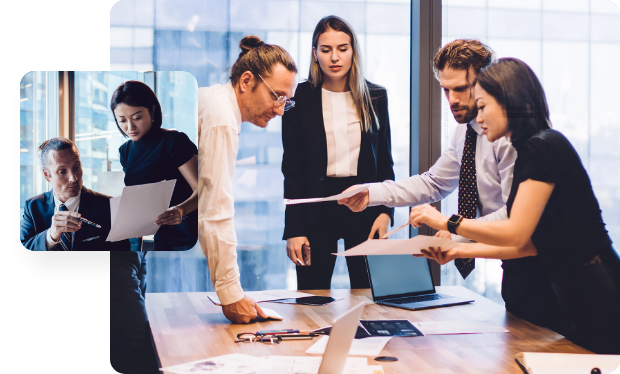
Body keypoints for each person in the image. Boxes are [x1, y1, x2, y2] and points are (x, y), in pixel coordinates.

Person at [338, 39, 563, 333]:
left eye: (461, 89)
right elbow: (433, 182)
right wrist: (372, 193)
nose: (452, 99)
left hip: (544, 266)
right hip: (512, 263)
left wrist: (455, 229)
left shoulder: (513, 138)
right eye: (446, 89)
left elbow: (516, 217)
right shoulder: (464, 133)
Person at [410, 57, 620, 354]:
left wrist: (447, 223)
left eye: (483, 107)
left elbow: (516, 234)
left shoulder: (542, 146)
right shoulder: (530, 150)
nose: (478, 117)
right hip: (573, 293)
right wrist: (458, 250)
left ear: (509, 101)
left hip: (597, 291)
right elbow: (529, 246)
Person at [282, 15, 395, 290]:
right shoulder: (299, 98)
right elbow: (292, 168)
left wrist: (386, 212)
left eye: (342, 48)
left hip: (365, 205)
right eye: (326, 49)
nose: (335, 57)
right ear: (315, 53)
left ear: (353, 51)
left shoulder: (376, 96)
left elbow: (385, 161)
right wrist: (294, 230)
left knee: (370, 296)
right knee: (312, 297)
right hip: (315, 209)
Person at [198, 36, 298, 323]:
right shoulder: (221, 119)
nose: (280, 110)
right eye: (276, 96)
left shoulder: (217, 104)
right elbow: (214, 211)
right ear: (246, 81)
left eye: (286, 102)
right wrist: (230, 295)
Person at [111, 80, 199, 251]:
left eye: (137, 117)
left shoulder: (174, 141)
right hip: (160, 235)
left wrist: (181, 210)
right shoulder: (125, 151)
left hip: (190, 234)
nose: (130, 127)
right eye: (122, 120)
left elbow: (204, 189)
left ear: (152, 110)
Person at [20, 137, 130, 251]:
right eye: (62, 171)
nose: (73, 178)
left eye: (77, 167)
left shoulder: (109, 206)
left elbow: (124, 258)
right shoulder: (33, 207)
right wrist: (51, 236)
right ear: (47, 175)